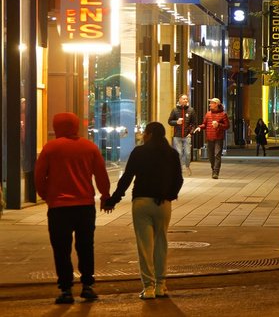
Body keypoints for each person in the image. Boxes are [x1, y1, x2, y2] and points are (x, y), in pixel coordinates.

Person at [34, 112, 111, 304]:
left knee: (61, 248)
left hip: (59, 207)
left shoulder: (50, 148)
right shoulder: (89, 147)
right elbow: (101, 174)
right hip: (85, 206)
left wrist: (47, 196)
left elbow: (38, 176)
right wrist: (105, 195)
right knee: (86, 246)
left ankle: (66, 289)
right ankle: (87, 285)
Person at [103, 122, 184, 300]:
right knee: (161, 243)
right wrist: (169, 195)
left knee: (144, 245)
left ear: (149, 134)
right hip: (162, 203)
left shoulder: (139, 152)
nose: (143, 135)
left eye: (145, 132)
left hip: (141, 202)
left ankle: (148, 287)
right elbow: (178, 179)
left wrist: (113, 200)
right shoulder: (171, 153)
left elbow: (126, 178)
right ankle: (161, 286)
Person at [195, 98, 230, 179]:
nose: (210, 104)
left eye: (211, 103)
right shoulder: (208, 114)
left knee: (217, 154)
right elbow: (204, 124)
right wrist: (200, 127)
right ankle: (213, 169)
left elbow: (227, 126)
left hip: (218, 138)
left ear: (216, 104)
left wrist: (218, 125)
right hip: (209, 137)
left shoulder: (223, 114)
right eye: (210, 103)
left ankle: (216, 172)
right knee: (211, 156)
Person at [166, 93, 198, 176]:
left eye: (186, 99)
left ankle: (187, 166)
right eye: (184, 99)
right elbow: (169, 121)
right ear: (179, 100)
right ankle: (179, 169)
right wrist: (176, 122)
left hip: (187, 136)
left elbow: (195, 124)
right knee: (179, 153)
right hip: (177, 135)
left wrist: (191, 133)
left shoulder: (191, 110)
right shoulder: (175, 110)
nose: (186, 100)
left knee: (187, 153)